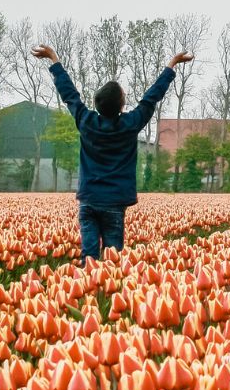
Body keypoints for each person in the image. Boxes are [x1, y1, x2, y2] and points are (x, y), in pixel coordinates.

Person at [31, 44, 193, 260]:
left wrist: (54, 60)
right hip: (115, 202)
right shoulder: (130, 124)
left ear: (97, 105)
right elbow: (151, 98)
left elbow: (69, 95)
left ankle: (89, 286)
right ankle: (109, 289)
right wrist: (171, 66)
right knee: (112, 259)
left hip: (89, 199)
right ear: (122, 105)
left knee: (89, 257)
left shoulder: (86, 121)